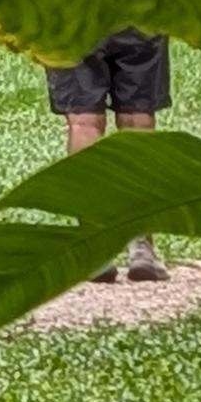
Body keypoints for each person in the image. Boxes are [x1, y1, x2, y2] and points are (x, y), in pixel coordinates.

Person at [42, 31, 170, 279]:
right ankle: (141, 245)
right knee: (138, 117)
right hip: (136, 8)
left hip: (73, 13)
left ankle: (93, 247)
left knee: (84, 122)